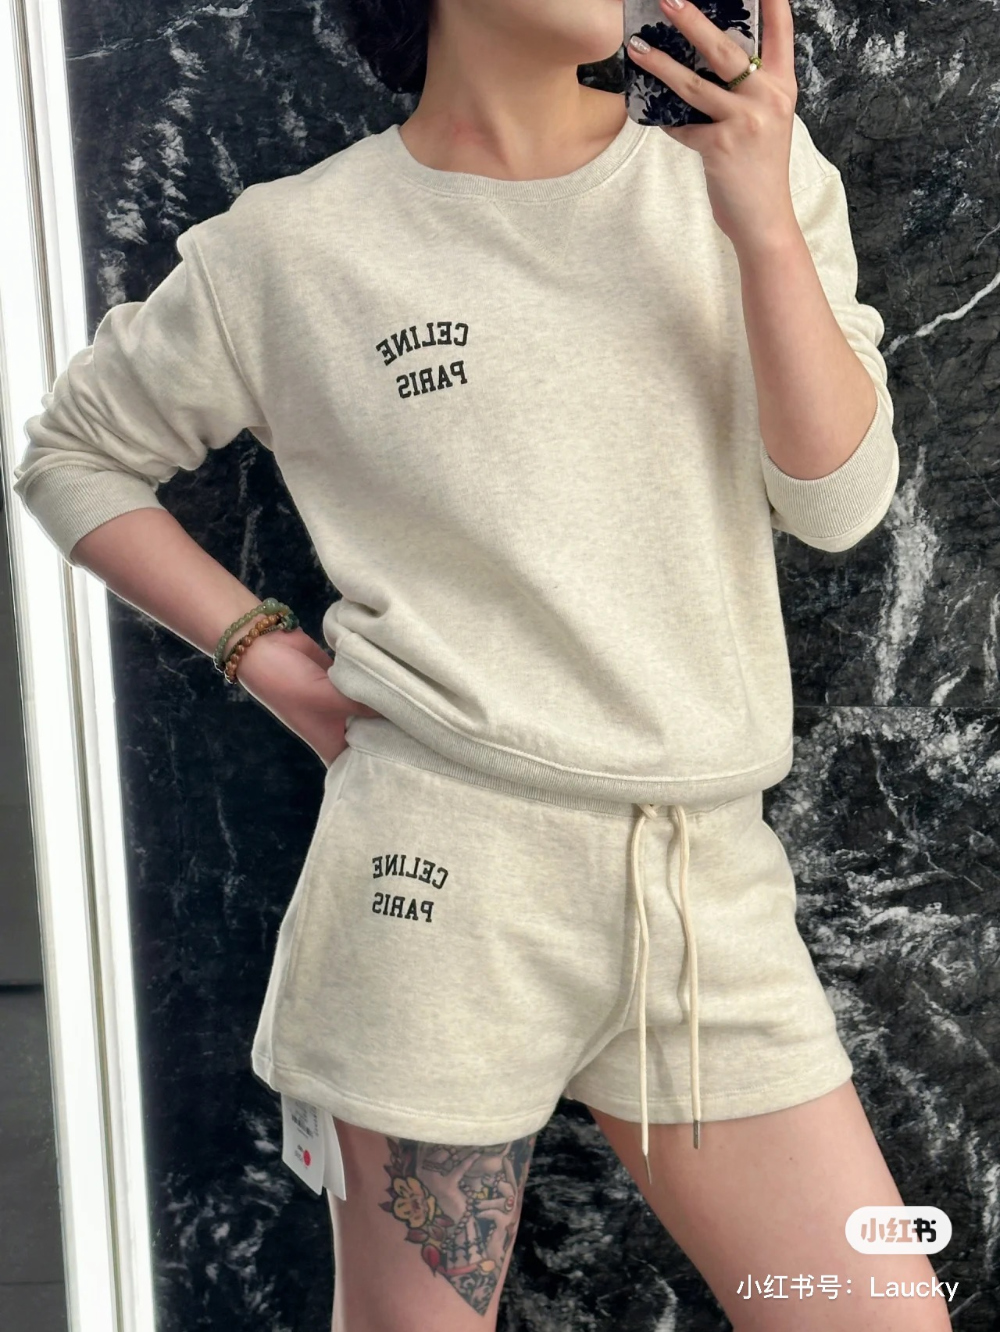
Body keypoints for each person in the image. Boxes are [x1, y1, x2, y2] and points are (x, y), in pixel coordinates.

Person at [12, 0, 952, 1328]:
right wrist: (268, 657)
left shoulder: (750, 171)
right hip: (438, 885)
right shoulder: (293, 248)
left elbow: (841, 506)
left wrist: (756, 218)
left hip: (705, 892)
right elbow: (72, 457)